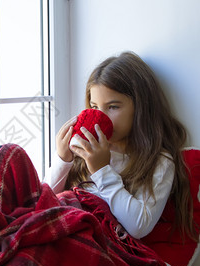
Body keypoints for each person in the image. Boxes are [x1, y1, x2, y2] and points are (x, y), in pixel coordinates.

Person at [44, 51, 196, 242]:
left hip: (95, 243)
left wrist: (102, 170)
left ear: (140, 108)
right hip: (57, 231)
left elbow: (138, 226)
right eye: (95, 107)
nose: (102, 116)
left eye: (113, 107)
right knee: (9, 155)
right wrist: (62, 160)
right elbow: (43, 203)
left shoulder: (158, 162)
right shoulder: (85, 148)